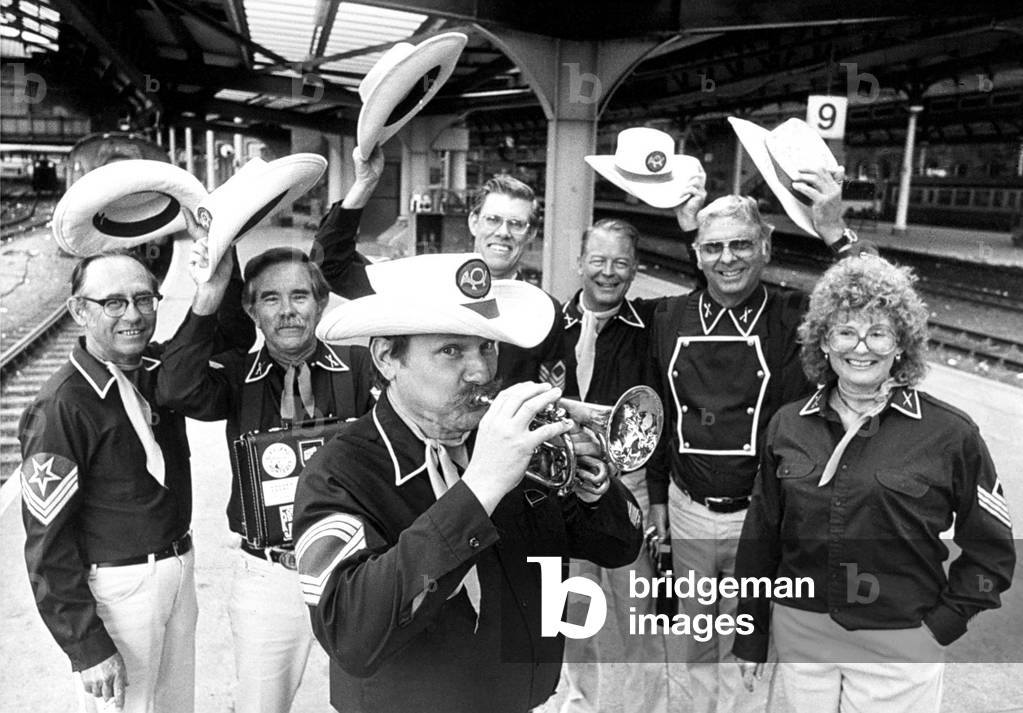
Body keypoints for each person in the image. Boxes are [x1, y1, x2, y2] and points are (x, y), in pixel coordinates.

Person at [292, 252, 645, 713]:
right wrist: (478, 490)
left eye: (487, 347)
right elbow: (351, 635)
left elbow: (619, 547)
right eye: (452, 351)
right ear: (386, 358)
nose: (481, 372)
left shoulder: (518, 443)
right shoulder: (338, 471)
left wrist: (593, 486)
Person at [732, 255, 1015, 712]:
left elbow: (993, 553)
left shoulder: (951, 434)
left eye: (878, 332)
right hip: (803, 639)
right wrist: (751, 632)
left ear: (901, 344)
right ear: (824, 342)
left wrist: (940, 628)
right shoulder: (788, 425)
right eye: (845, 331)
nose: (860, 347)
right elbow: (760, 539)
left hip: (900, 646)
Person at [158, 150, 383, 713]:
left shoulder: (360, 368)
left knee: (372, 702)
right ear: (253, 312)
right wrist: (207, 299)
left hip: (357, 571)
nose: (287, 311)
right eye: (270, 299)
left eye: (299, 296)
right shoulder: (237, 376)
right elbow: (177, 389)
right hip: (268, 575)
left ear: (320, 304)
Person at [646, 166, 860, 713]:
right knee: (695, 645)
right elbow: (659, 411)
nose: (728, 258)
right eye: (713, 247)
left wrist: (835, 232)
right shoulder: (669, 317)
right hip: (687, 511)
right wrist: (657, 498)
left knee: (750, 650)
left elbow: (869, 301)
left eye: (741, 244)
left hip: (762, 519)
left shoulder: (795, 317)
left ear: (765, 248)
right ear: (696, 255)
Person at [18, 251, 251, 713]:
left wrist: (222, 268)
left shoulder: (157, 369)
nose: (134, 315)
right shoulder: (61, 407)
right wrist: (87, 646)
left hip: (178, 572)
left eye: (144, 299)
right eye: (114, 303)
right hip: (119, 593)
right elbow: (47, 543)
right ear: (79, 311)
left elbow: (230, 339)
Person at [557, 213, 701, 713]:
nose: (608, 272)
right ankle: (580, 702)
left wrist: (690, 228)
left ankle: (642, 707)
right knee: (575, 611)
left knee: (636, 612)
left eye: (621, 263)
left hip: (629, 489)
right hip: (564, 491)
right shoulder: (550, 325)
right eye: (598, 260)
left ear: (636, 269)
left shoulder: (653, 324)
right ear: (579, 262)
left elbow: (707, 288)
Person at [316, 173, 564, 387]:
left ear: (531, 233)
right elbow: (331, 266)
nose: (503, 232)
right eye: (493, 220)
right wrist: (364, 185)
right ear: (473, 222)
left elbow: (552, 394)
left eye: (516, 224)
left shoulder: (543, 312)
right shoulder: (426, 282)